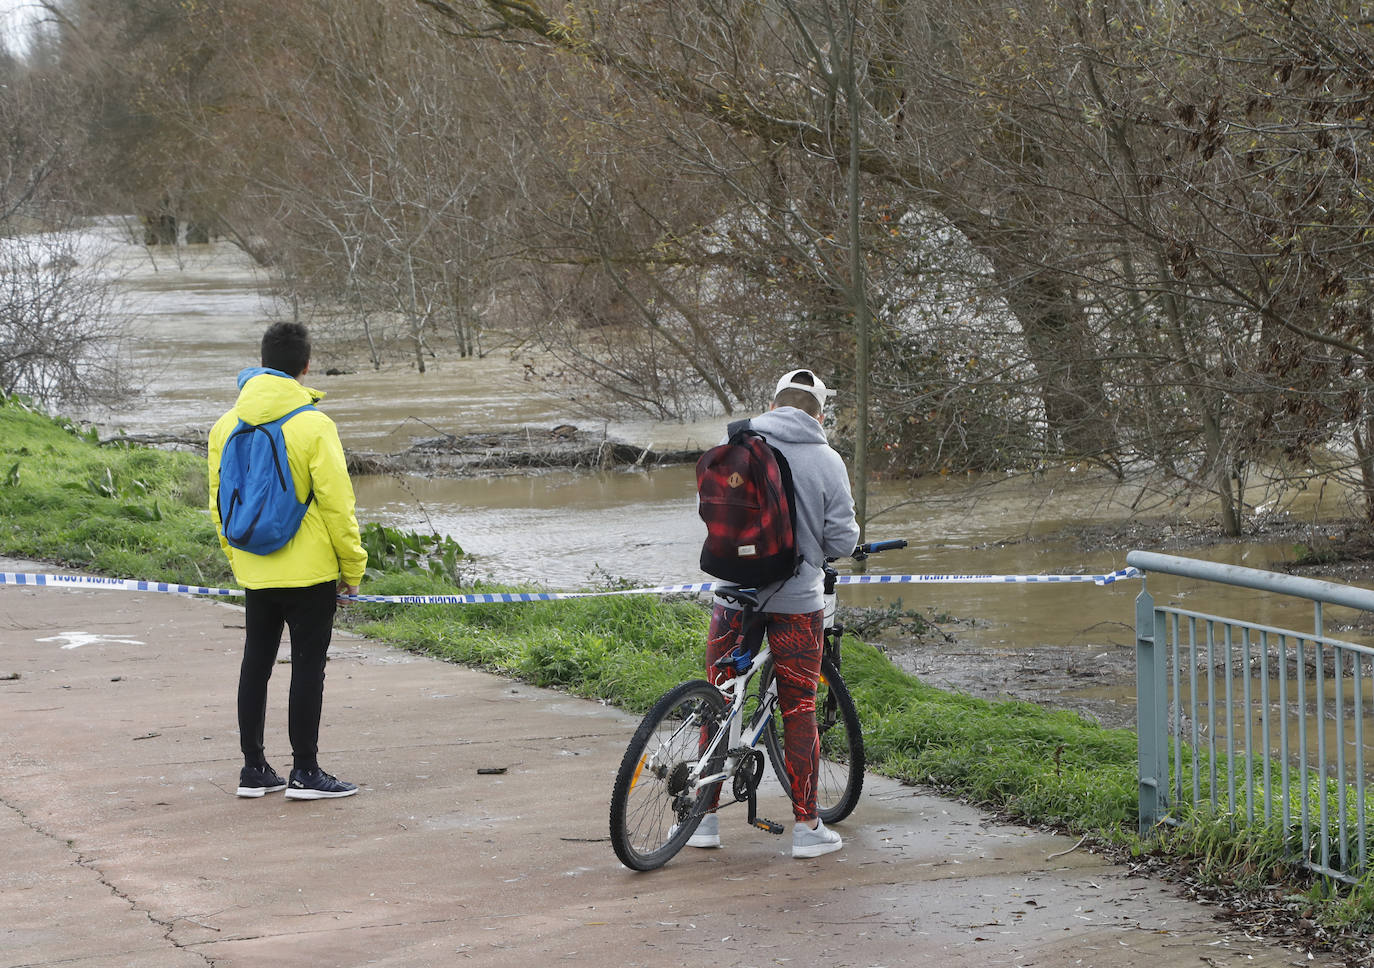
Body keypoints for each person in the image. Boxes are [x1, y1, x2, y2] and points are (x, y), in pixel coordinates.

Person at [695, 367, 861, 858]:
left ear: (772, 405)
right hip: (795, 603)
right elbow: (841, 540)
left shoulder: (737, 445)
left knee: (718, 700)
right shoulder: (826, 460)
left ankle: (702, 821)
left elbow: (710, 511)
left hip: (731, 594)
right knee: (799, 708)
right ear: (820, 414)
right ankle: (808, 829)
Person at [207, 322, 368, 800]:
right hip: (311, 571)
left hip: (254, 568)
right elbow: (339, 507)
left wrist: (235, 558)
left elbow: (219, 504)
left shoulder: (224, 425)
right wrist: (352, 570)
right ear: (306, 366)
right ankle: (306, 771)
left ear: (260, 361)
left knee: (255, 664)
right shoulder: (314, 424)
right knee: (307, 668)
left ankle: (254, 769)